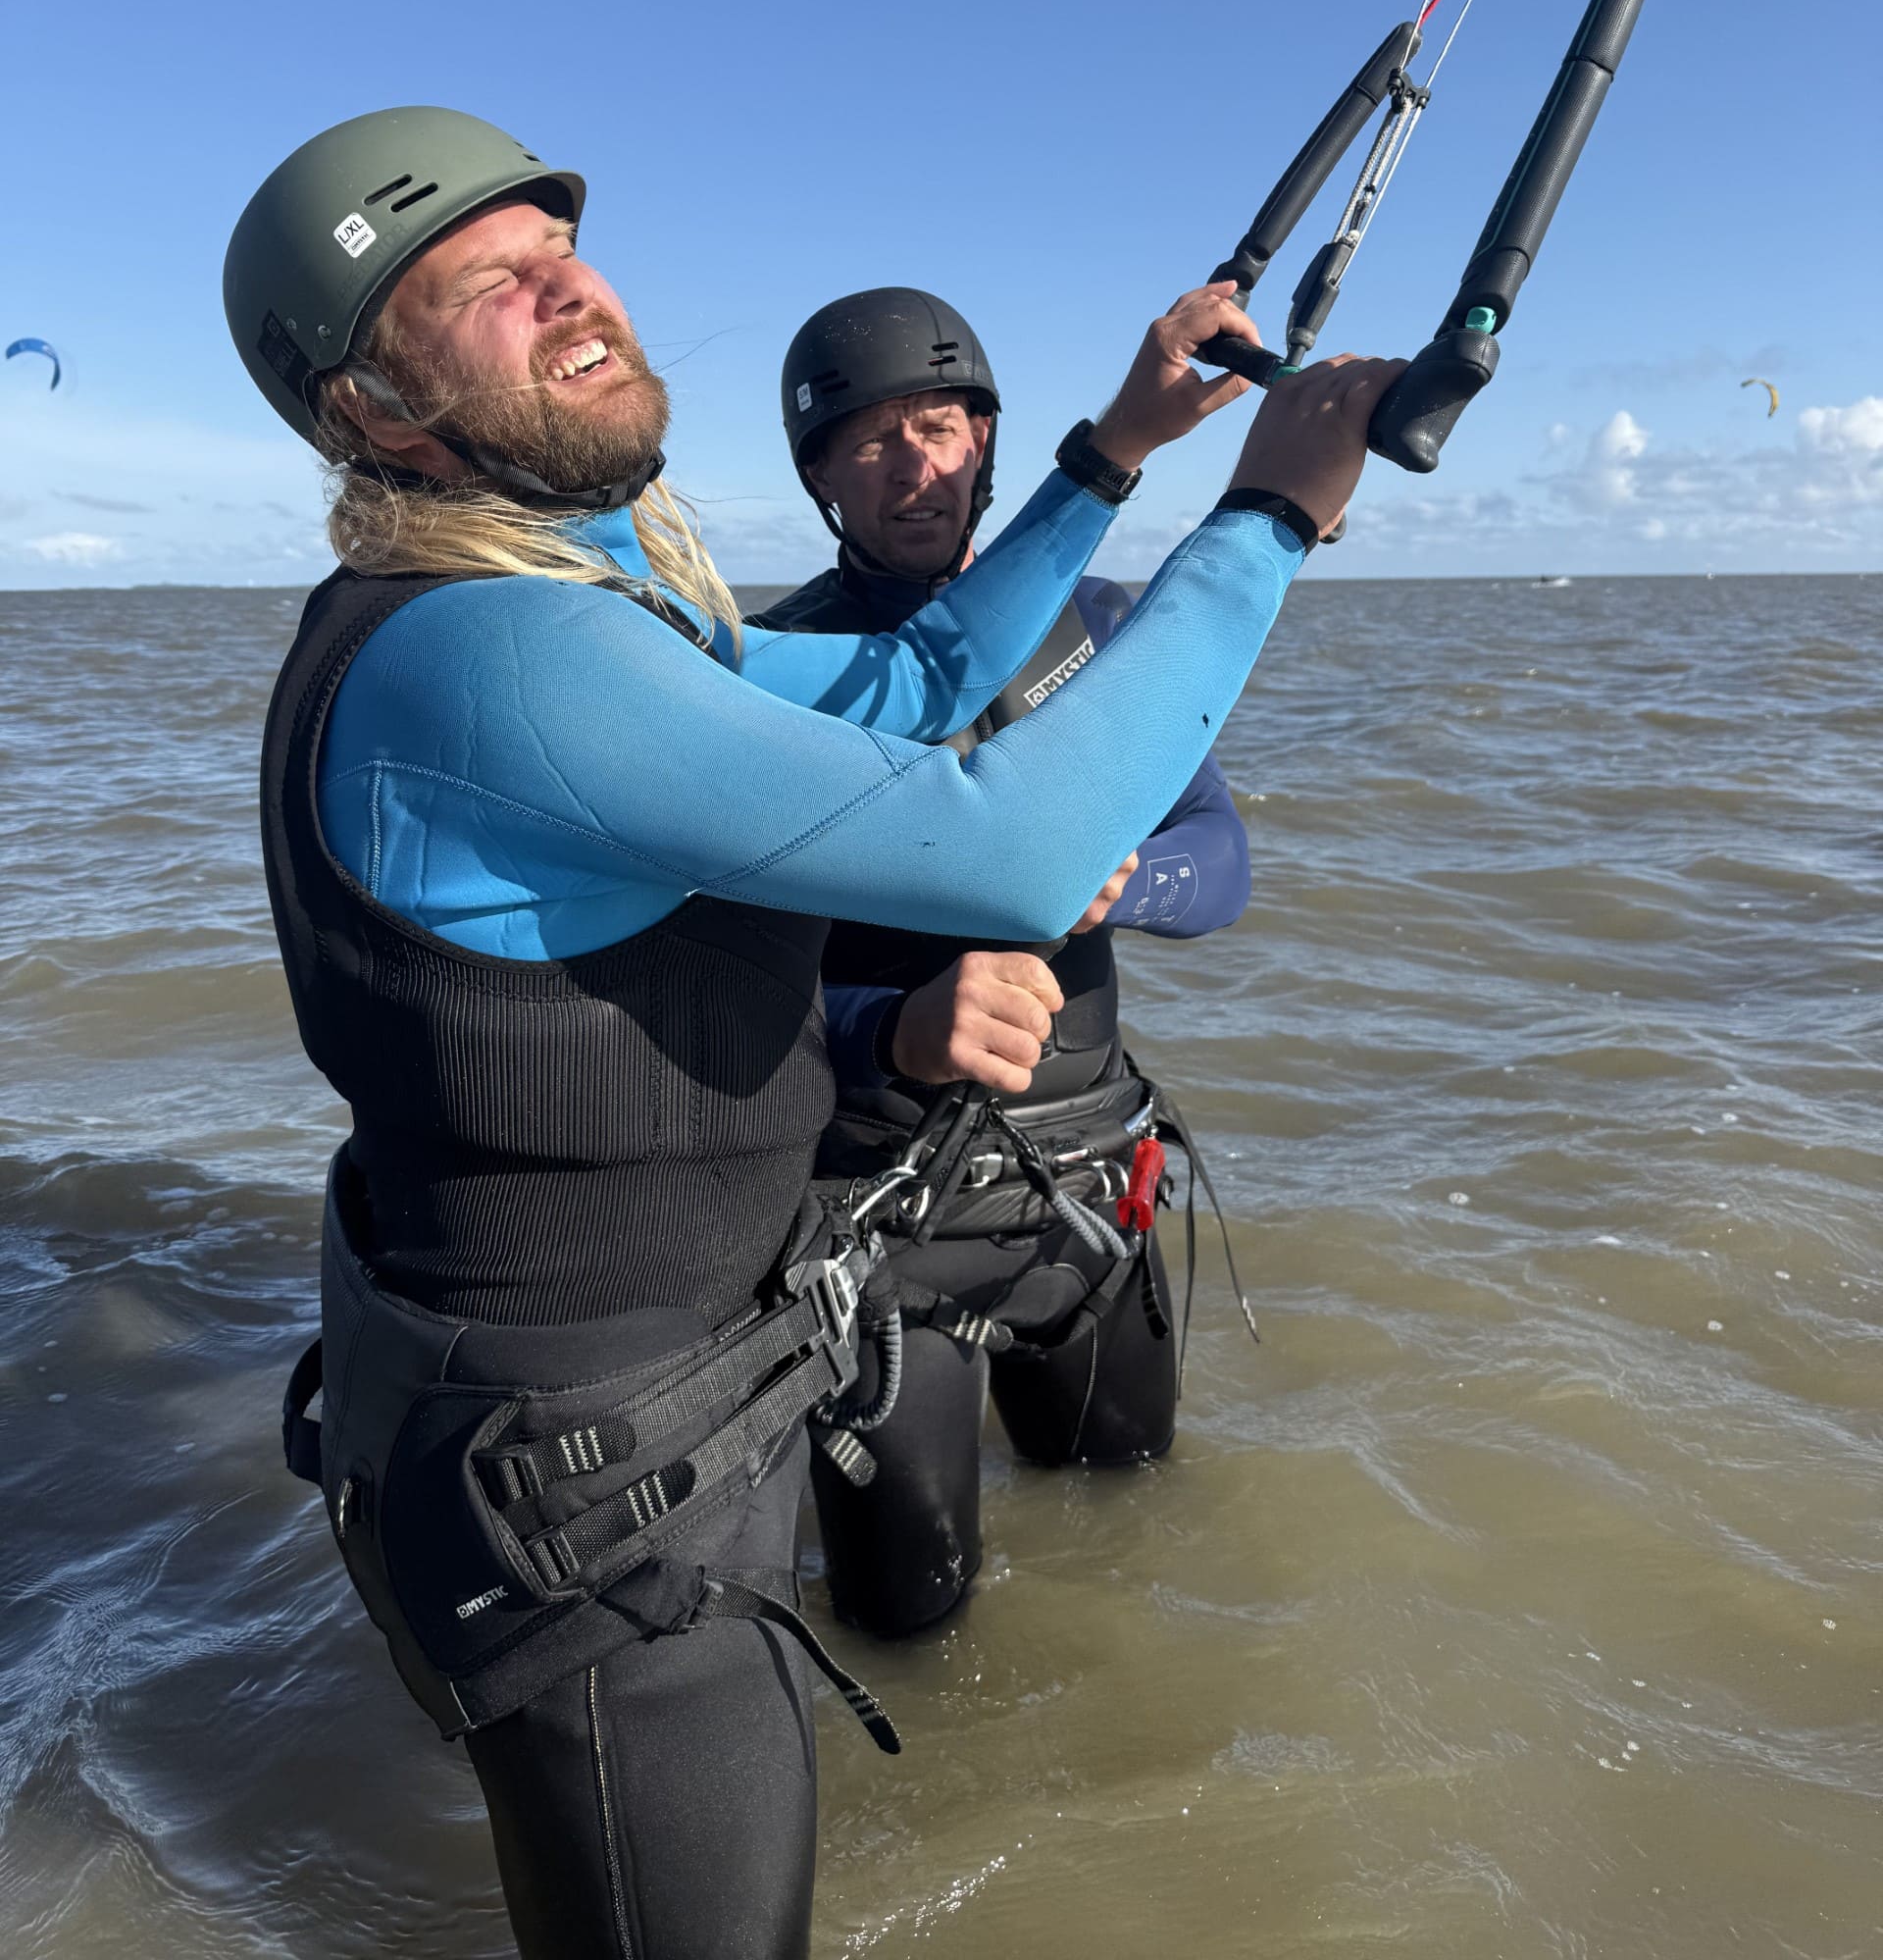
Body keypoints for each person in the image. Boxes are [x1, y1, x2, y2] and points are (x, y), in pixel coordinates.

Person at [224, 102, 1400, 1960]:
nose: (571, 293)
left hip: (637, 1405)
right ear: (371, 411)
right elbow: (1012, 845)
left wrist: (1114, 450)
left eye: (564, 251)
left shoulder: (581, 615)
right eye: (490, 289)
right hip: (585, 1487)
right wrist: (1266, 515)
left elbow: (922, 678)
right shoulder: (483, 647)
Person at [753, 288, 1252, 1636]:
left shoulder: (1106, 630)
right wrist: (888, 1028)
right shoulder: (780, 670)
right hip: (881, 1224)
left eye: (940, 424)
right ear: (818, 477)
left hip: (1091, 1183)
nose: (915, 466)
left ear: (987, 438)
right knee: (908, 1625)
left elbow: (1221, 855)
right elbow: (704, 987)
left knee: (1133, 1524)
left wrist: (1126, 882)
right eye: (869, 443)